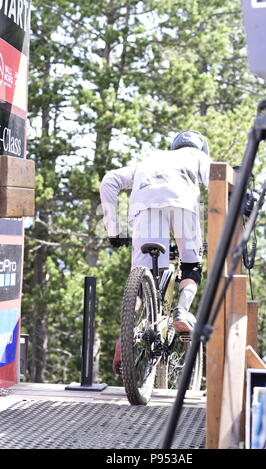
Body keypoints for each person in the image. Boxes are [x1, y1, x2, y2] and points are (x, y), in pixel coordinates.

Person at [99, 130, 212, 374]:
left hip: (145, 205)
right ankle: (182, 310)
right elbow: (218, 179)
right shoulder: (197, 157)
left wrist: (114, 231)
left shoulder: (149, 160)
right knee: (192, 264)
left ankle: (127, 335)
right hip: (183, 204)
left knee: (146, 276)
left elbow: (109, 180)